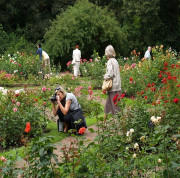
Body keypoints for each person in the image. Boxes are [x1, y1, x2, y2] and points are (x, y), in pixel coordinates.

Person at [104, 45, 121, 117]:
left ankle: (118, 122)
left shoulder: (110, 61)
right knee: (110, 105)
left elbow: (110, 74)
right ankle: (105, 122)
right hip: (117, 86)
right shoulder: (115, 61)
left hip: (113, 86)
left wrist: (105, 76)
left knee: (115, 106)